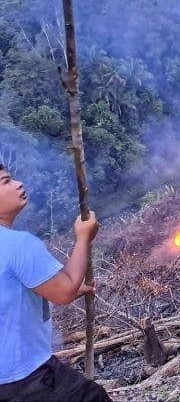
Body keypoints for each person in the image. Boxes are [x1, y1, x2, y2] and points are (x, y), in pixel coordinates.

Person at [0, 165, 111, 402]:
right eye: (6, 181)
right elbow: (64, 292)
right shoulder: (18, 245)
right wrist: (84, 237)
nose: (18, 183)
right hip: (25, 377)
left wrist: (57, 287)